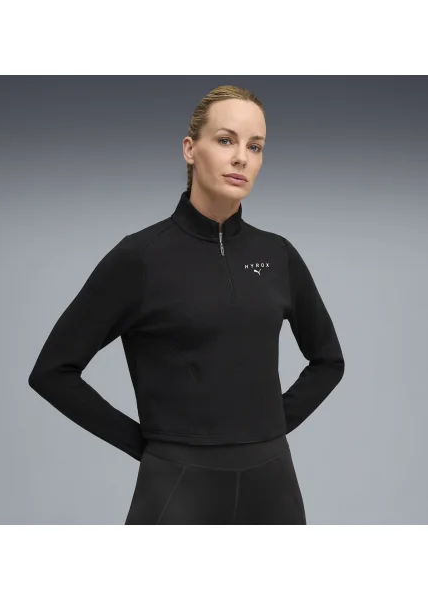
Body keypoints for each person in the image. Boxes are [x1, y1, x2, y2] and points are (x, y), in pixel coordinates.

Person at [28, 84, 345, 525]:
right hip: (178, 485)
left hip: (273, 484)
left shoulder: (278, 255)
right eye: (226, 140)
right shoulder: (140, 257)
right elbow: (52, 372)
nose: (241, 158)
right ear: (190, 149)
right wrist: (149, 446)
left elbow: (329, 361)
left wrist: (269, 426)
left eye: (255, 146)